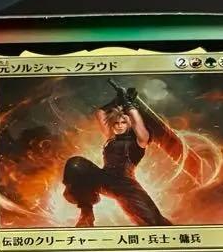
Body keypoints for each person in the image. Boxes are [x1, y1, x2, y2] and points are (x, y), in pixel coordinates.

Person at [62, 82, 171, 227]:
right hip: (105, 179)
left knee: (155, 223)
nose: (119, 126)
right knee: (76, 164)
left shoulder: (140, 140)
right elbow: (100, 113)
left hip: (127, 187)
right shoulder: (111, 137)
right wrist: (118, 99)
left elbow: (137, 124)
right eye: (116, 123)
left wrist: (128, 103)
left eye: (123, 122)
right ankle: (87, 213)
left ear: (129, 124)